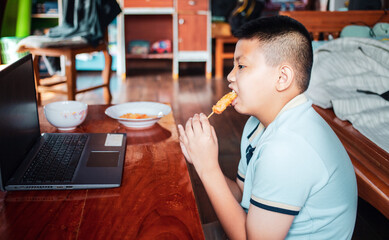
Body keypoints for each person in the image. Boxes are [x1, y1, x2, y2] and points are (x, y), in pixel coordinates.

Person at [178, 15, 357, 239]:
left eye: (241, 66)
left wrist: (208, 169)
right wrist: (203, 161)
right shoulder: (258, 124)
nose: (230, 76)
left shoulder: (288, 148)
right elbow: (243, 195)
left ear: (282, 77)